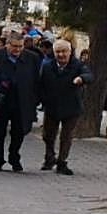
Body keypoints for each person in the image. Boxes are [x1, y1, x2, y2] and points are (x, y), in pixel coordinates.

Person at [39, 40, 93, 175]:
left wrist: (81, 78)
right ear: (54, 52)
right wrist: (42, 100)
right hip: (52, 106)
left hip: (71, 107)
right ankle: (49, 158)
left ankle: (62, 162)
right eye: (58, 52)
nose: (61, 54)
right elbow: (40, 84)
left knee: (66, 136)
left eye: (64, 51)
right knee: (48, 135)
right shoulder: (47, 66)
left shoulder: (78, 65)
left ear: (70, 52)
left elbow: (89, 75)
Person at [0, 32, 41, 172]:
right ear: (7, 44)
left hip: (22, 100)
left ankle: (14, 157)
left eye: (20, 47)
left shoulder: (33, 58)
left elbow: (37, 81)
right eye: (14, 46)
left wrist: (35, 100)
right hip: (1, 100)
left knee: (19, 132)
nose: (17, 50)